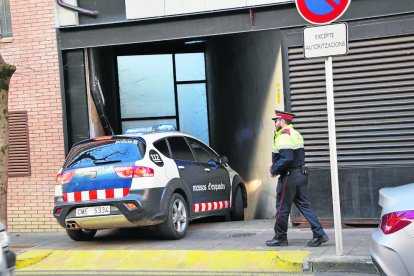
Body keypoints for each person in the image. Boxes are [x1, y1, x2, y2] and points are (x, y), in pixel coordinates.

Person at [266, 110, 328, 247]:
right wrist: (276, 164)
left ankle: (280, 238)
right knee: (304, 206)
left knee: (282, 208)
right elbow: (292, 157)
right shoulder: (296, 134)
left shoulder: (283, 136)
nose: (275, 124)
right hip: (300, 175)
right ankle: (319, 234)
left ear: (282, 121)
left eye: (276, 121)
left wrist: (274, 169)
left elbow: (287, 158)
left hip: (289, 177)